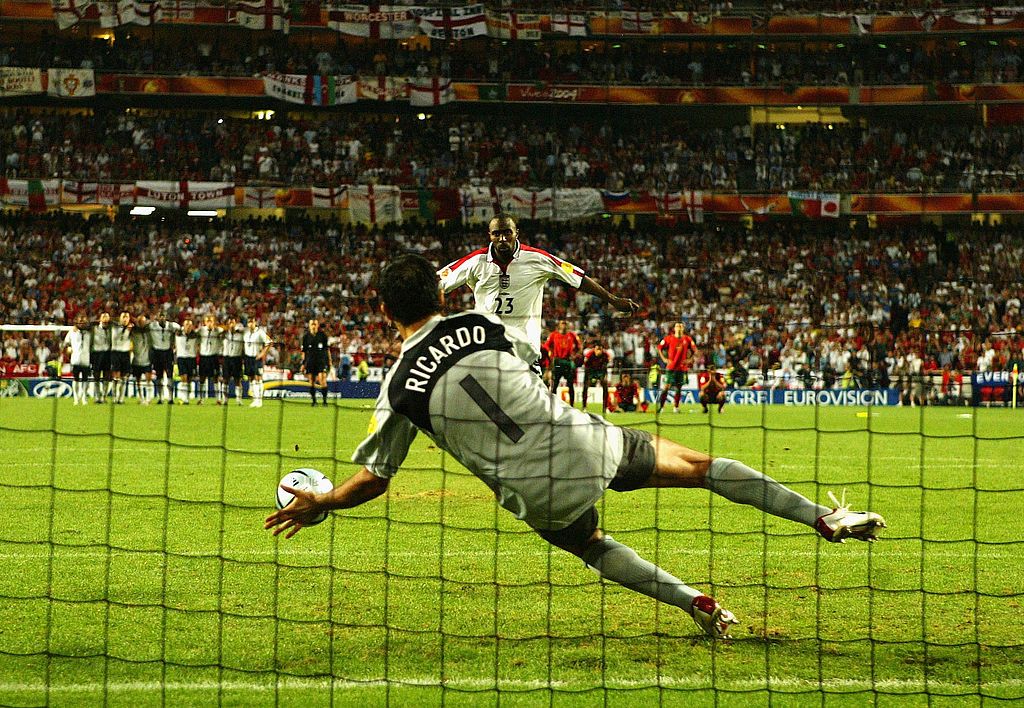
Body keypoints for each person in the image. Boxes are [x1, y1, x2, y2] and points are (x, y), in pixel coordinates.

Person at [265, 254, 887, 639]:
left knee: (589, 544)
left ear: (382, 309)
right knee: (700, 468)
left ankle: (694, 602)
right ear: (440, 293)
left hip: (533, 492)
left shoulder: (399, 389)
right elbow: (516, 368)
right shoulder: (484, 323)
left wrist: (323, 499)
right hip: (581, 440)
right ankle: (824, 517)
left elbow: (374, 479)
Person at [437, 214, 640, 369]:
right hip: (487, 348)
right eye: (496, 234)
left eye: (507, 232)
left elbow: (577, 278)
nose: (502, 238)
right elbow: (436, 282)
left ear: (516, 233)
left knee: (530, 418)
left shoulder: (537, 259)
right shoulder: (475, 261)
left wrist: (612, 299)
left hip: (525, 350)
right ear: (489, 236)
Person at [657, 323, 697, 414]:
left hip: (681, 368)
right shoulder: (669, 338)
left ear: (683, 328)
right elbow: (659, 348)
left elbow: (694, 349)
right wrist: (664, 359)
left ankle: (676, 407)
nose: (679, 328)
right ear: (674, 328)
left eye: (681, 326)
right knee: (666, 387)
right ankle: (661, 407)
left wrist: (690, 359)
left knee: (679, 388)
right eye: (677, 326)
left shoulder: (687, 339)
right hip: (671, 367)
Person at [543, 320, 582, 407]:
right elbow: (546, 345)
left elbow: (579, 347)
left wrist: (575, 355)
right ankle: (553, 405)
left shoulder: (572, 335)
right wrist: (551, 353)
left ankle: (572, 405)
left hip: (568, 361)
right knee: (555, 384)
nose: (564, 325)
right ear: (559, 325)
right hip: (557, 361)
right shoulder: (554, 335)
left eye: (565, 323)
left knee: (570, 385)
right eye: (562, 323)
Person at [147, 312, 179, 404]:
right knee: (159, 376)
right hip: (157, 353)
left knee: (169, 375)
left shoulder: (172, 325)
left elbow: (180, 328)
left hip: (168, 352)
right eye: (160, 317)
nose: (161, 318)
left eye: (163, 316)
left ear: (166, 317)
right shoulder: (152, 326)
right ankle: (160, 398)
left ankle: (170, 398)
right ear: (157, 318)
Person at [243, 314, 273, 408]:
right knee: (251, 378)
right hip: (248, 358)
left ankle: (259, 400)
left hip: (256, 358)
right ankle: (255, 399)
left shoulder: (260, 332)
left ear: (255, 322)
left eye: (252, 322)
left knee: (258, 378)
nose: (250, 324)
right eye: (249, 322)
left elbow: (269, 342)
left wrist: (262, 354)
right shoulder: (246, 333)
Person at [63, 314, 92, 405]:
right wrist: (68, 350)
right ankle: (75, 398)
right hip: (75, 358)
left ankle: (84, 397)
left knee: (85, 379)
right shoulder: (72, 331)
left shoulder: (90, 332)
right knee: (75, 378)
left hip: (86, 358)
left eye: (84, 322)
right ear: (77, 322)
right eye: (80, 322)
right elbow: (66, 343)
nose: (82, 323)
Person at [301, 318, 331, 407]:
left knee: (323, 380)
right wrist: (303, 363)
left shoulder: (322, 335)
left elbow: (327, 349)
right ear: (309, 326)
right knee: (312, 381)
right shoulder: (306, 337)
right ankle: (314, 401)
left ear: (317, 325)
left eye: (315, 324)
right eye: (312, 324)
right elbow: (304, 351)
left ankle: (325, 401)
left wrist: (329, 361)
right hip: (310, 361)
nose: (313, 326)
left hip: (321, 361)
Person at [197, 314, 224, 405]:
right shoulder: (201, 330)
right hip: (203, 357)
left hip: (213, 357)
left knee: (215, 378)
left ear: (214, 322)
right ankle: (201, 399)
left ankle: (218, 399)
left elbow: (225, 330)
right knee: (202, 378)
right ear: (204, 322)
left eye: (211, 321)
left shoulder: (218, 330)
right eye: (207, 321)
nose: (209, 323)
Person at [129, 314, 154, 404]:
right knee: (138, 381)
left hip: (147, 359)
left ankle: (148, 398)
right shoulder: (133, 331)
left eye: (143, 321)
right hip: (136, 359)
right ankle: (141, 397)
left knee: (148, 380)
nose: (141, 323)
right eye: (140, 321)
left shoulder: (149, 331)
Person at [221, 316, 246, 406]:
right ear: (227, 324)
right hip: (226, 358)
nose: (231, 325)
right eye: (230, 323)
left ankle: (239, 399)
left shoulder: (240, 334)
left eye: (233, 323)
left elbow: (246, 330)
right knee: (225, 380)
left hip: (237, 358)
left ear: (236, 324)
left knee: (237, 380)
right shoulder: (223, 334)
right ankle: (225, 399)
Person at [581, 340, 611, 414]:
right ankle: (584, 407)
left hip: (600, 371)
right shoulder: (589, 354)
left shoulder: (605, 354)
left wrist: (604, 376)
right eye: (597, 349)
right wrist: (589, 378)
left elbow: (606, 365)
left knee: (605, 386)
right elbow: (586, 365)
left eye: (600, 349)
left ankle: (605, 407)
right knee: (585, 387)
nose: (599, 351)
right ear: (594, 349)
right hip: (591, 370)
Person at [110, 311, 133, 404]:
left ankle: (121, 398)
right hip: (115, 352)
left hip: (125, 353)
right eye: (123, 317)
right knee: (116, 376)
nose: (125, 319)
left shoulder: (132, 328)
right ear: (120, 318)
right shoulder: (114, 327)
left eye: (127, 317)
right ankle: (114, 397)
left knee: (124, 376)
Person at [89, 311, 112, 403]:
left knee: (107, 376)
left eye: (107, 317)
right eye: (104, 317)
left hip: (107, 354)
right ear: (100, 319)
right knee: (96, 376)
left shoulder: (111, 328)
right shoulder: (94, 328)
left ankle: (104, 396)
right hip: (96, 354)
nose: (106, 319)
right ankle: (97, 396)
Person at [174, 319, 198, 404]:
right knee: (183, 378)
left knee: (189, 379)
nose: (188, 326)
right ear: (183, 325)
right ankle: (184, 398)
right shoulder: (178, 333)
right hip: (181, 358)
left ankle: (187, 397)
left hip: (191, 358)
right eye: (186, 324)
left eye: (190, 325)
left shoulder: (195, 335)